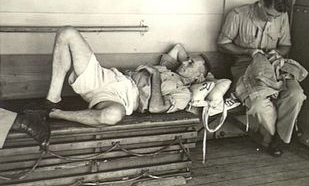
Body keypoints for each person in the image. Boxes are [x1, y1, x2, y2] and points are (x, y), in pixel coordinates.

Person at [27, 26, 209, 128]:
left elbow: (155, 108)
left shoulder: (183, 93)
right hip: (110, 78)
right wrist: (192, 63)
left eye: (191, 63)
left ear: (199, 76)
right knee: (67, 33)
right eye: (188, 60)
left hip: (122, 99)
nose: (185, 62)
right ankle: (52, 99)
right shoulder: (171, 67)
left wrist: (155, 74)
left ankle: (57, 114)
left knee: (112, 115)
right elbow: (178, 48)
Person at [217, 0, 307, 156]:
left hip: (275, 66)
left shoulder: (282, 15)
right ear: (260, 3)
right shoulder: (237, 15)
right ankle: (278, 139)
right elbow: (222, 44)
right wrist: (248, 51)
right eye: (269, 14)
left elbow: (286, 45)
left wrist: (278, 52)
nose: (272, 20)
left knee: (296, 94)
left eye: (276, 17)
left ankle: (278, 138)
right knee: (258, 104)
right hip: (246, 67)